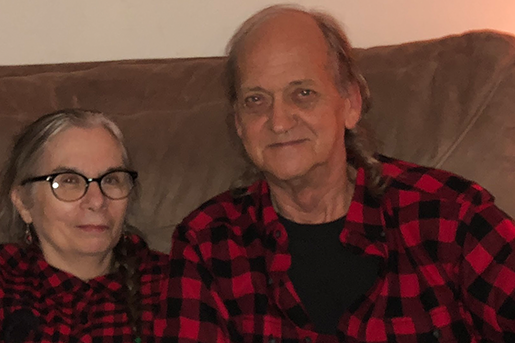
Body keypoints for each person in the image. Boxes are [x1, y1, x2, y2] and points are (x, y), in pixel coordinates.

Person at [156, 5, 515, 343]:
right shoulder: (206, 245)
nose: (279, 122)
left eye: (303, 93)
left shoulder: (453, 217)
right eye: (256, 100)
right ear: (238, 122)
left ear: (350, 104)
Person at [0, 109, 167, 342]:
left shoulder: (173, 282)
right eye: (69, 181)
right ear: (23, 202)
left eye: (112, 179)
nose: (97, 201)